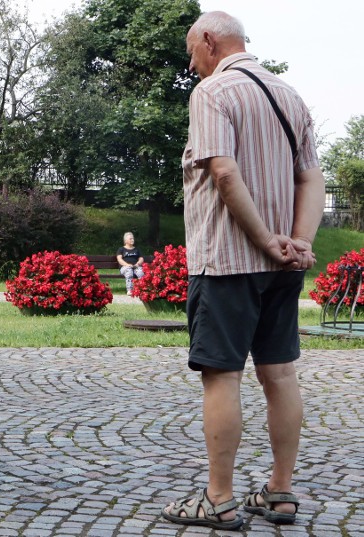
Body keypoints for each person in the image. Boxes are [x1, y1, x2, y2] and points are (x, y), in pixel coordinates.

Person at [161, 11, 325, 530]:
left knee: (221, 376)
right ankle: (280, 492)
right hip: (282, 269)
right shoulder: (290, 96)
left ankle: (220, 499)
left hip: (227, 261)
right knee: (279, 373)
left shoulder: (213, 93)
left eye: (192, 53)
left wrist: (263, 241)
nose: (192, 65)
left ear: (209, 40)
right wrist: (298, 243)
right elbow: (311, 178)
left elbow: (225, 172)